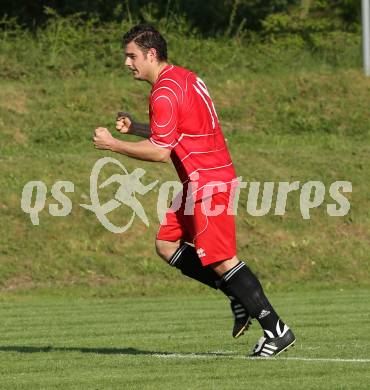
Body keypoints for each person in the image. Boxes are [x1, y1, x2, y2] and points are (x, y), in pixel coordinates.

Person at [92, 24, 295, 357]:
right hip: (200, 180)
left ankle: (276, 329)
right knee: (166, 243)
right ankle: (236, 296)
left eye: (132, 56)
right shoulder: (185, 78)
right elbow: (180, 131)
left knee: (221, 259)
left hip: (207, 182)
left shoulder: (163, 93)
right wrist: (135, 129)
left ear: (151, 54)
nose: (128, 63)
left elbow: (160, 151)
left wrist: (114, 144)